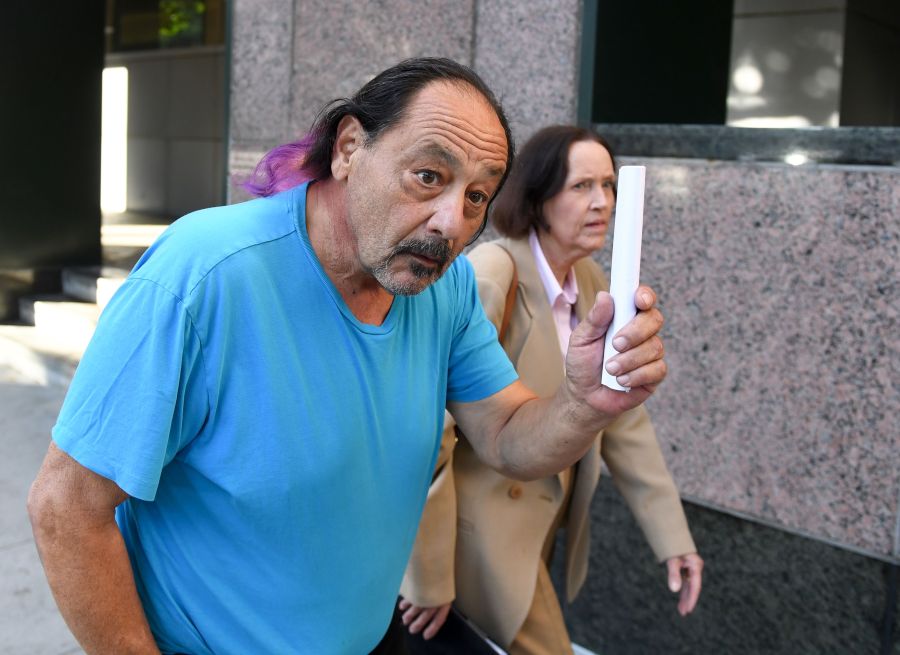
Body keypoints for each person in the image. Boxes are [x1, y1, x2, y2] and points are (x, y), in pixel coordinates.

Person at [27, 60, 668, 655]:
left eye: (477, 197)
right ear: (349, 149)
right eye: (429, 176)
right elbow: (66, 508)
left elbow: (506, 436)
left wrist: (585, 405)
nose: (452, 220)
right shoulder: (206, 273)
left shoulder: (444, 290)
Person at [399, 126, 703, 655]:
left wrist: (672, 538)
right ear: (538, 198)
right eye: (582, 186)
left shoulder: (590, 281)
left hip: (540, 528)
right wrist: (426, 575)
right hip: (475, 538)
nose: (602, 202)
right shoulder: (493, 271)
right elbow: (428, 430)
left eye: (609, 185)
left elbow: (623, 419)